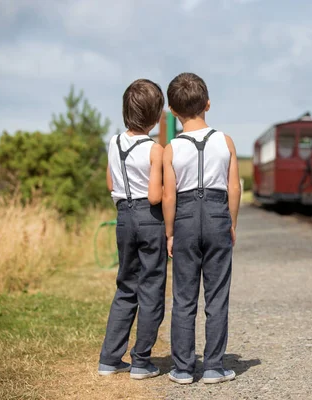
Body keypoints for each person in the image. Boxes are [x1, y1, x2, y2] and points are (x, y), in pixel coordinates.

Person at [162, 72, 241, 385]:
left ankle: (182, 368)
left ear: (173, 110)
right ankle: (213, 366)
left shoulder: (170, 148)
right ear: (208, 104)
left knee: (183, 295)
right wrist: (231, 223)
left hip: (184, 217)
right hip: (217, 213)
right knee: (217, 294)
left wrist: (169, 232)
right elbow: (233, 188)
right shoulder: (225, 141)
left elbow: (169, 195)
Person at [98, 79, 167, 380]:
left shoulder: (113, 143)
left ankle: (110, 359)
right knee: (151, 289)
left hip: (123, 218)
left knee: (126, 286)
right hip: (149, 219)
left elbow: (111, 184)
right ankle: (141, 361)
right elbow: (154, 196)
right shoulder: (155, 149)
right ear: (155, 116)